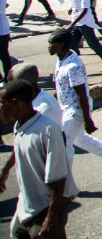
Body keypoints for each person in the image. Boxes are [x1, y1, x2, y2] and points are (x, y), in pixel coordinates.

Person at [47, 29, 102, 176]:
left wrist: (87, 119)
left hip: (76, 109)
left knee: (64, 143)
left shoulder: (73, 66)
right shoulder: (61, 59)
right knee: (79, 138)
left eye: (51, 44)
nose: (48, 47)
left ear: (60, 45)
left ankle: (63, 182)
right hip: (65, 108)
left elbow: (81, 95)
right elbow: (60, 88)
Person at [0, 80, 70, 239]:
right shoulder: (19, 126)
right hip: (25, 208)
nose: (0, 107)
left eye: (2, 103)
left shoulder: (48, 129)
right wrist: (5, 170)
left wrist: (51, 218)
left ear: (15, 103)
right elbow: (20, 149)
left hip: (44, 210)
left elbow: (58, 178)